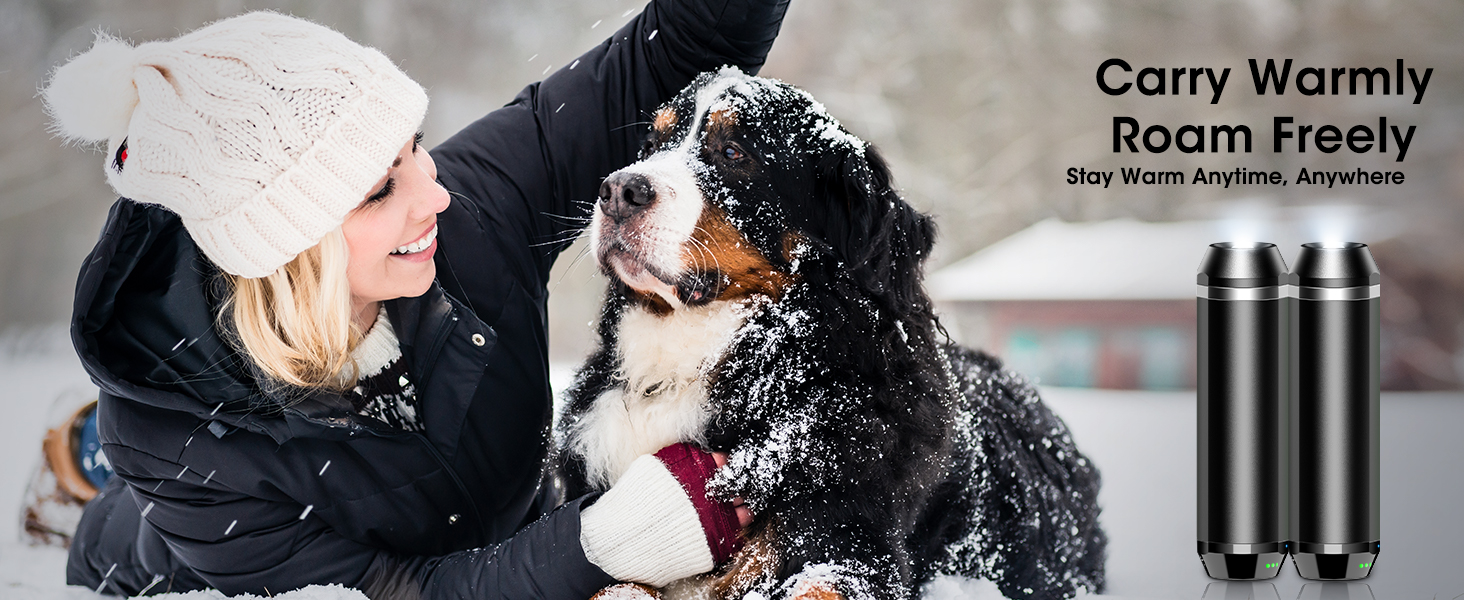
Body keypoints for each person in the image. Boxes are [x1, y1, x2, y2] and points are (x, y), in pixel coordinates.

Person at [33, 1, 786, 597]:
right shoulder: (173, 442)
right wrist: (603, 539)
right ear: (290, 251)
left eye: (413, 147)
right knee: (131, 532)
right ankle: (86, 475)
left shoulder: (474, 209)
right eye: (379, 189)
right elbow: (403, 595)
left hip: (485, 520)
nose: (433, 193)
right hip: (186, 550)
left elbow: (680, 46)